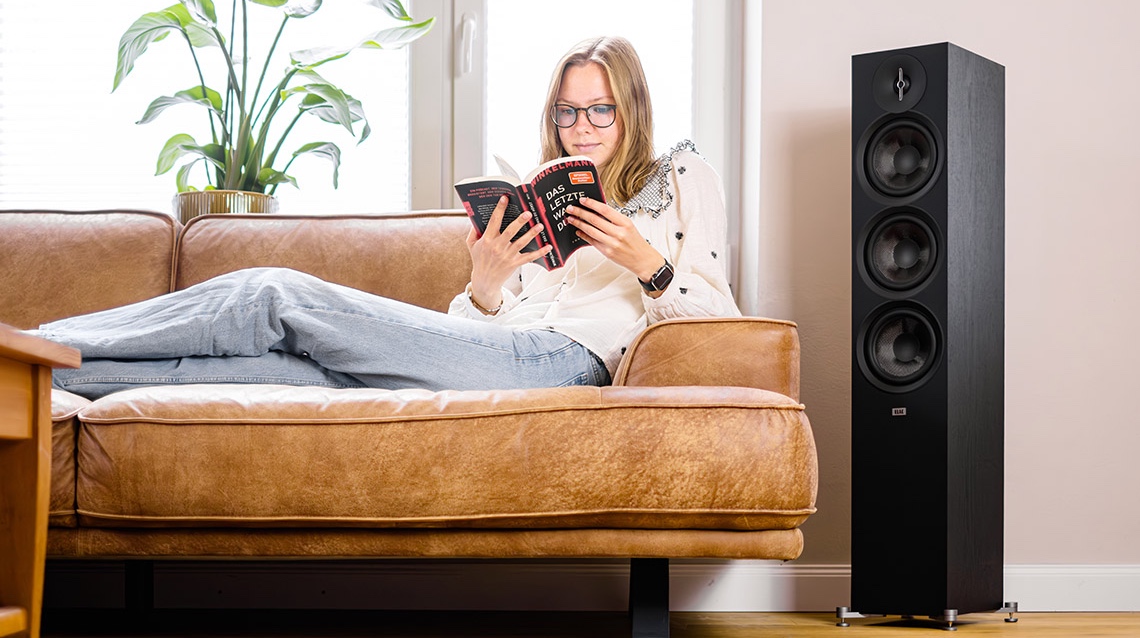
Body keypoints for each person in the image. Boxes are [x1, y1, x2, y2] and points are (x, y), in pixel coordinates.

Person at [37, 36, 741, 400]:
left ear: (630, 110)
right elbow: (479, 334)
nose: (580, 127)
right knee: (270, 369)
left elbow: (721, 324)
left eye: (600, 110)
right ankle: (39, 378)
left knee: (271, 292)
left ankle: (38, 342)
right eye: (567, 111)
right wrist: (486, 283)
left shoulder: (680, 177)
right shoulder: (545, 193)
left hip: (566, 363)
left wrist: (647, 265)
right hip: (502, 351)